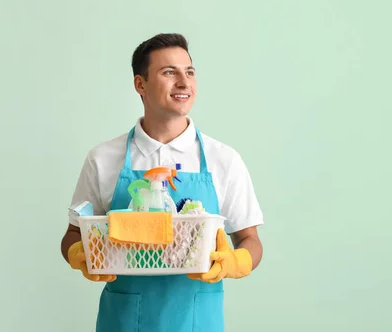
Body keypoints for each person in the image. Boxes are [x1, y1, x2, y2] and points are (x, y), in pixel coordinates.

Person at [60, 33, 264, 332]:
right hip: (124, 320)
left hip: (198, 321)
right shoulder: (103, 159)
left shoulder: (225, 160)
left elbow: (250, 240)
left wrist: (238, 261)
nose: (184, 82)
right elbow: (73, 234)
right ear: (140, 84)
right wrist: (78, 254)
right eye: (169, 72)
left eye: (189, 72)